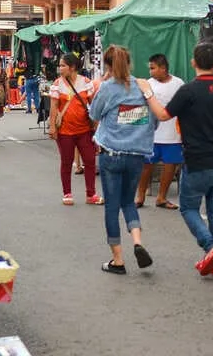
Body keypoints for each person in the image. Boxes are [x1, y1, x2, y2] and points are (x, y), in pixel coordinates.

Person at [139, 42, 213, 277]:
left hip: (197, 161)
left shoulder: (187, 91)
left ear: (193, 62)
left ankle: (209, 246)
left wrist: (147, 93)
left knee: (188, 208)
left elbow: (163, 115)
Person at [89, 45, 154, 274]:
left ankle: (118, 260)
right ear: (129, 62)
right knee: (129, 201)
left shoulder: (107, 88)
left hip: (112, 154)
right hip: (136, 155)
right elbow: (152, 119)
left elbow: (94, 114)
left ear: (107, 65)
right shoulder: (142, 86)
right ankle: (137, 241)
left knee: (112, 207)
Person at [48, 53, 102, 206]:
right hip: (64, 132)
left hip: (85, 130)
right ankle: (67, 193)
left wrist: (97, 129)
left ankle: (91, 194)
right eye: (60, 65)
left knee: (90, 161)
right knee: (66, 162)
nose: (60, 68)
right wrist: (52, 127)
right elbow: (53, 108)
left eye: (63, 65)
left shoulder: (86, 83)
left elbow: (94, 107)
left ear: (72, 67)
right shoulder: (57, 84)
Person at [135, 54, 184, 210]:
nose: (150, 71)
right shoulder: (147, 85)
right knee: (146, 165)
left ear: (163, 68)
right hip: (151, 135)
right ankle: (140, 196)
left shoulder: (179, 84)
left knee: (170, 166)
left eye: (153, 68)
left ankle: (161, 197)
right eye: (150, 68)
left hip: (172, 135)